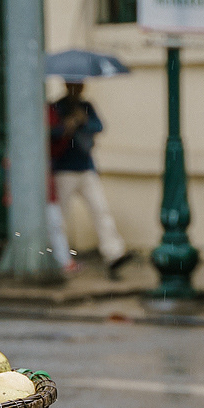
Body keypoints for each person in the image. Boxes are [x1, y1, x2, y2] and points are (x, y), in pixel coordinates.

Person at [50, 79, 133, 277]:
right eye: (72, 85)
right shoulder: (57, 107)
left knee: (100, 210)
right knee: (60, 216)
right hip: (64, 168)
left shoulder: (86, 106)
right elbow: (49, 132)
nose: (76, 89)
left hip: (86, 167)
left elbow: (99, 126)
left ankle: (114, 253)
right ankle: (59, 258)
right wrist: (65, 126)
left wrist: (83, 121)